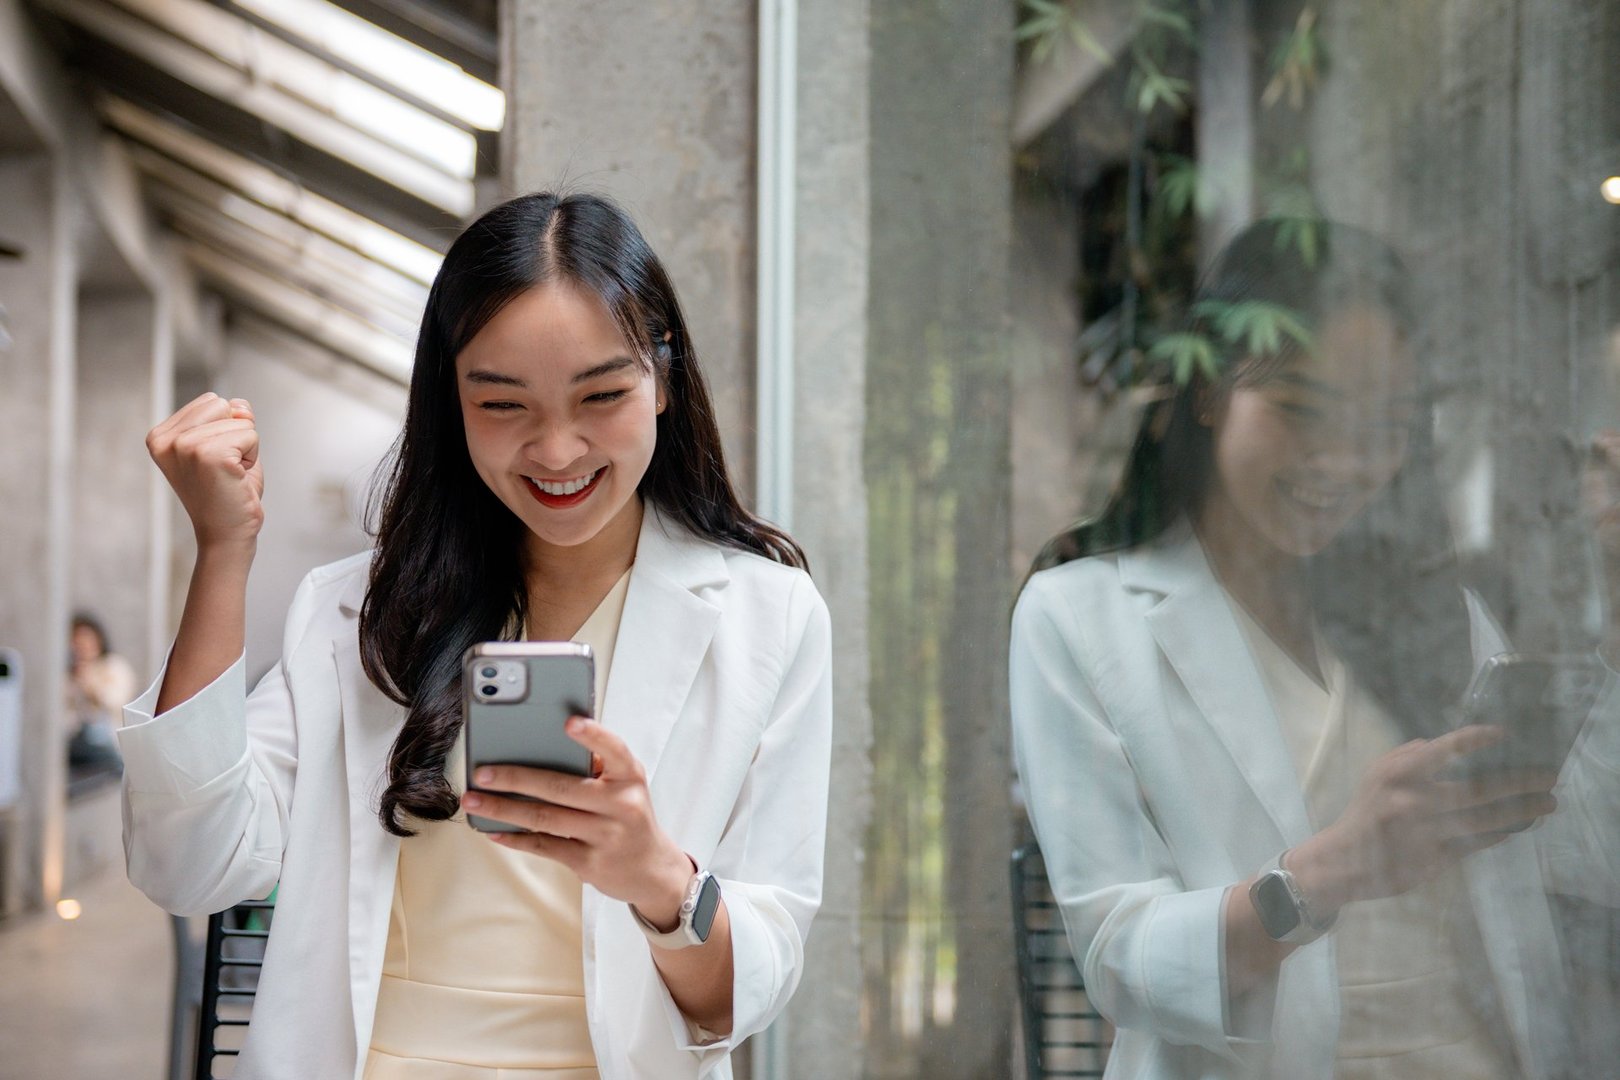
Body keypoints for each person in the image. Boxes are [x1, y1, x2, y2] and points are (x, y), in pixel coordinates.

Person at [119, 191, 833, 1080]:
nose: (559, 450)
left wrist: (657, 878)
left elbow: (745, 996)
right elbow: (190, 866)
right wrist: (225, 549)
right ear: (450, 401)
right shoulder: (356, 614)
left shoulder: (771, 615)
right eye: (504, 405)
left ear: (664, 377)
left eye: (602, 394)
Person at [1010, 220, 1620, 1080]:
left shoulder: (1438, 613)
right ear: (1209, 390)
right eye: (1302, 409)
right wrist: (1330, 872)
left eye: (1386, 425)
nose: (1342, 459)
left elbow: (1593, 857)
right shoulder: (1078, 615)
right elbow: (1118, 959)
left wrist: (1610, 602)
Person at [66, 612, 136, 774]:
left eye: (86, 640)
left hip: (107, 746)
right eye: (76, 640)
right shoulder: (67, 674)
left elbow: (116, 702)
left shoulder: (113, 667)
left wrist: (88, 682)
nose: (81, 646)